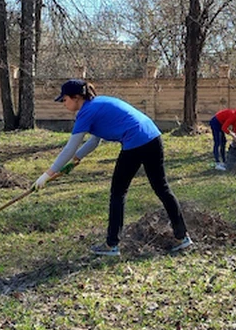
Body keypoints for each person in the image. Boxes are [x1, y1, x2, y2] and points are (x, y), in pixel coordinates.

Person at [33, 79, 192, 257]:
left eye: (64, 100)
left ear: (76, 97)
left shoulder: (86, 112)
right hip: (153, 137)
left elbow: (69, 147)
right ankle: (182, 237)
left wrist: (46, 175)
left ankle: (111, 245)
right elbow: (94, 141)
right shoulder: (98, 104)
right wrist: (76, 159)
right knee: (162, 188)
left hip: (136, 141)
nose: (63, 104)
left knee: (118, 192)